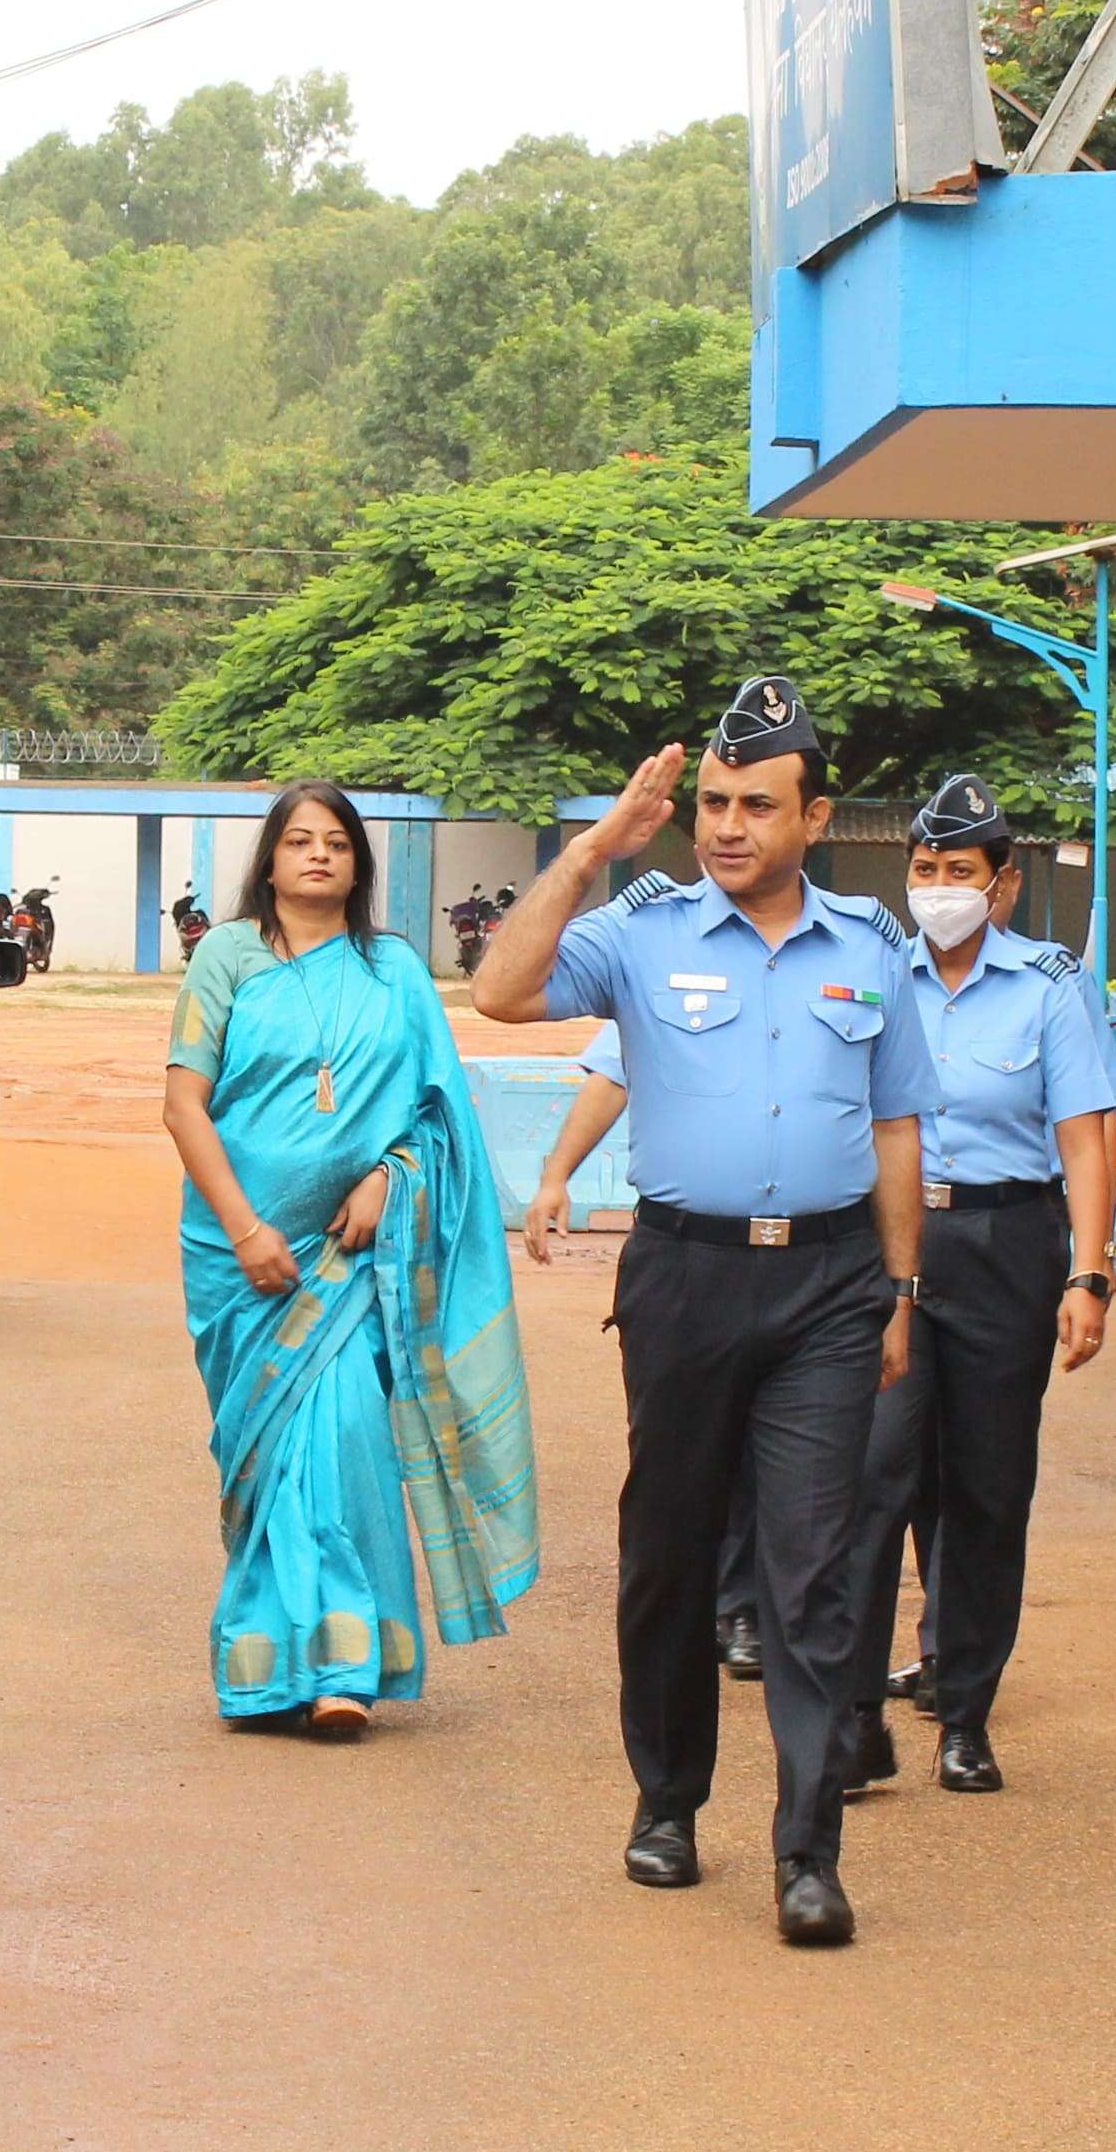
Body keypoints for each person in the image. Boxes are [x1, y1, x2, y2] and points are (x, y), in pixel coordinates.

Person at [471, 676, 934, 1950]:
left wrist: (901, 1290)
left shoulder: (870, 949)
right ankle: (668, 1802)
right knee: (669, 1550)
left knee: (814, 1566)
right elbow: (501, 994)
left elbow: (897, 1129)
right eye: (713, 805)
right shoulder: (642, 927)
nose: (728, 826)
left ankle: (807, 1849)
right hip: (684, 1276)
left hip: (834, 1285)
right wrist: (589, 851)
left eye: (756, 805)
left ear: (814, 814)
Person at [161, 786, 542, 1735]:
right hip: (238, 1255)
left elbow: (439, 1110)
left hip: (352, 1263)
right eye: (300, 842)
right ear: (271, 858)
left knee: (345, 1441)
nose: (319, 857)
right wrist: (248, 1230)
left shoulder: (394, 970)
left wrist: (390, 1175)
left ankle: (342, 1665)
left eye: (338, 844)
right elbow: (183, 1106)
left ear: (361, 866)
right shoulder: (227, 957)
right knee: (267, 1455)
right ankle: (268, 1665)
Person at [851, 776, 1116, 1798]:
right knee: (875, 1475)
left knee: (987, 1485)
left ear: (1002, 886)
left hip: (1007, 1241)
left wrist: (1090, 1273)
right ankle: (851, 1710)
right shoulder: (877, 977)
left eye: (959, 872)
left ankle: (964, 1713)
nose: (938, 890)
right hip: (894, 1242)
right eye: (924, 871)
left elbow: (1088, 1132)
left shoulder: (1051, 985)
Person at [527, 1027, 772, 1679]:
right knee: (677, 1453)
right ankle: (684, 1613)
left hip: (805, 1247)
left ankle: (745, 1605)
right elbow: (613, 1076)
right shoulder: (663, 952)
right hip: (686, 1250)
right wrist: (556, 1175)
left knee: (771, 1442)